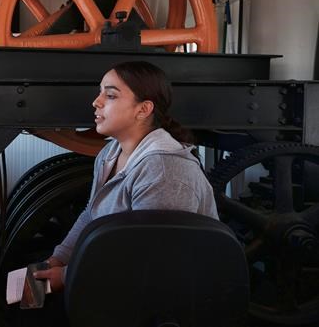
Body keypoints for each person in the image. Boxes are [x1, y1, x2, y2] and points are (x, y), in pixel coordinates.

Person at [33, 60, 219, 293]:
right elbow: (92, 214)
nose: (96, 102)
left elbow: (152, 253)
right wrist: (58, 259)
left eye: (110, 95)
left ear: (143, 109)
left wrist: (67, 276)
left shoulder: (163, 171)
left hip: (174, 291)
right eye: (100, 92)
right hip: (126, 275)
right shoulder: (110, 153)